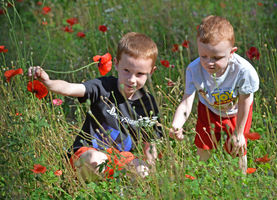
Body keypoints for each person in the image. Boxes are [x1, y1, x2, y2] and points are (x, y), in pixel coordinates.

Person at [28, 32, 162, 180]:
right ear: (116, 64)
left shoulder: (148, 103)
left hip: (122, 158)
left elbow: (150, 142)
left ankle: (117, 190)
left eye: (140, 74)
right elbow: (70, 88)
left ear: (151, 72)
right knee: (95, 160)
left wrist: (151, 169)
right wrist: (49, 82)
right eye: (126, 71)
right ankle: (81, 185)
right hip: (87, 153)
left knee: (143, 171)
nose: (131, 79)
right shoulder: (103, 87)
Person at [169, 15, 259, 174]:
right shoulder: (194, 69)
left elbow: (246, 101)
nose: (209, 63)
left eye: (216, 58)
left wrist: (239, 133)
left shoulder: (244, 71)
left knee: (237, 146)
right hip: (209, 109)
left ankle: (242, 180)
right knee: (203, 146)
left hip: (237, 111)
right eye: (203, 56)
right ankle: (201, 175)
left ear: (232, 52)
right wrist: (177, 124)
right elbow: (187, 101)